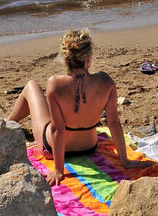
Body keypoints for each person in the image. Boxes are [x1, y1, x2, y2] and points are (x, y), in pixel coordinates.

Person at [8, 30, 135, 185]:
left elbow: (57, 129)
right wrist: (125, 161)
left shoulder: (55, 84)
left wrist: (59, 170)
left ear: (65, 60)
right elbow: (114, 123)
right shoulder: (106, 82)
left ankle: (7, 122)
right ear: (88, 60)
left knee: (31, 86)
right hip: (89, 146)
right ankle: (7, 122)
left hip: (53, 150)